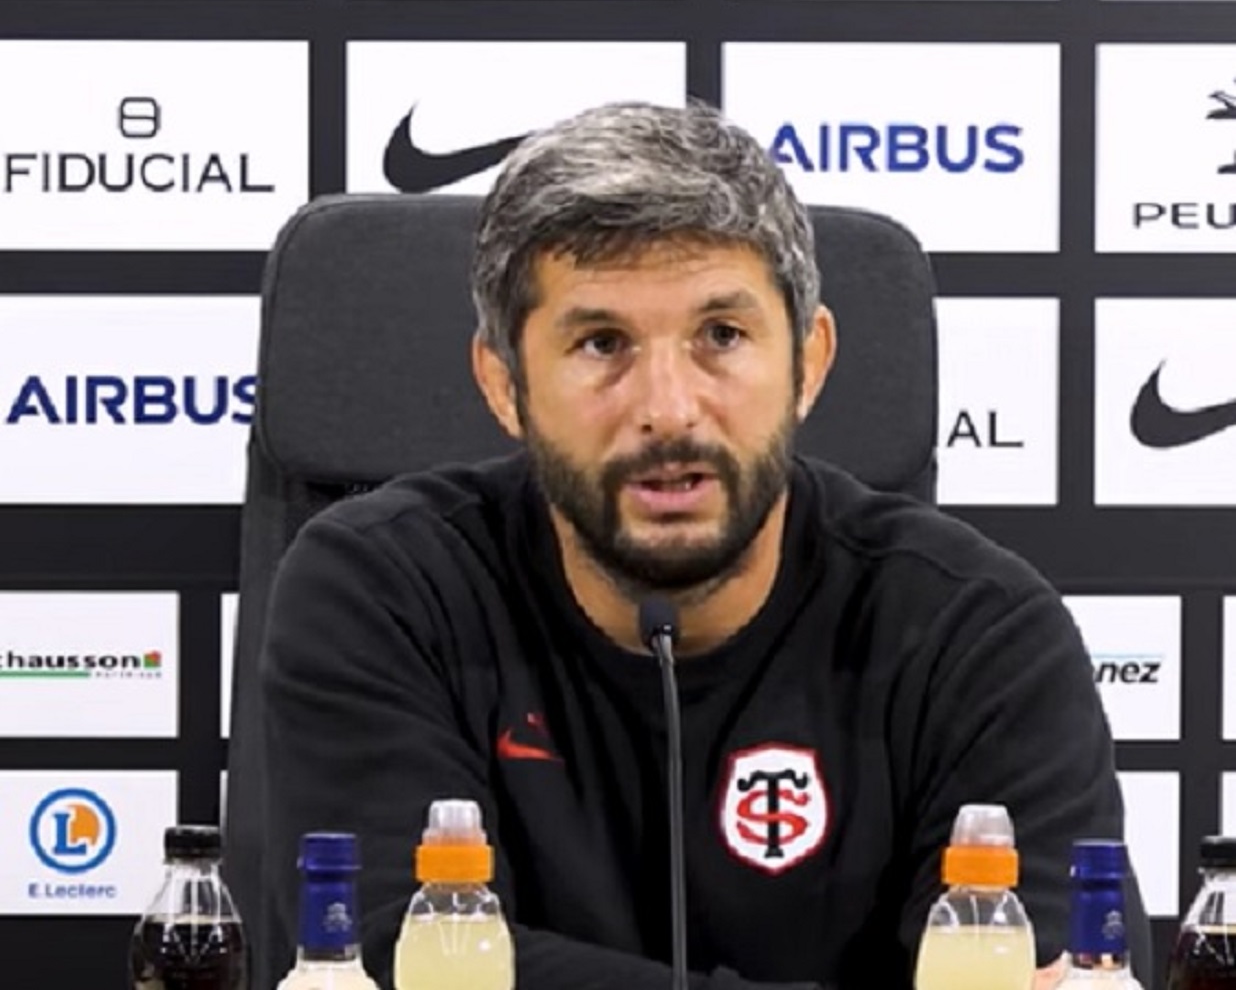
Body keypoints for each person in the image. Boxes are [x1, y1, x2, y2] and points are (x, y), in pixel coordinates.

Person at [258, 99, 1148, 990]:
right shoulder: (385, 593)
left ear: (808, 363)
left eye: (721, 336)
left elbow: (1065, 973)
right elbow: (383, 960)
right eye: (601, 343)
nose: (669, 409)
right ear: (504, 384)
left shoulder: (977, 632)